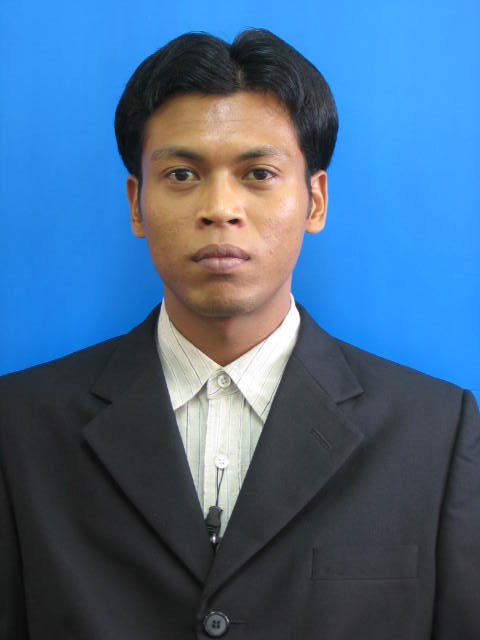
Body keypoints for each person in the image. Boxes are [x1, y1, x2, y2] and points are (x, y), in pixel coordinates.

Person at [0, 28, 479, 640]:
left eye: (258, 173)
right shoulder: (20, 427)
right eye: (181, 174)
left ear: (315, 201)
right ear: (137, 205)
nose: (220, 208)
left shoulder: (435, 433)